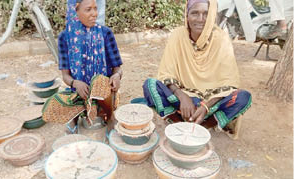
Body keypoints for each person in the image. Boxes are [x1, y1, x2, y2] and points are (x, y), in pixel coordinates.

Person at [143, 0, 252, 139]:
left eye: (206, 14)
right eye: (195, 13)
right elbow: (166, 73)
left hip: (212, 102)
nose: (200, 19)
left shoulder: (221, 38)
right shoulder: (178, 35)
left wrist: (205, 107)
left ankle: (204, 127)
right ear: (186, 15)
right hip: (184, 98)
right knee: (150, 85)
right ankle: (177, 123)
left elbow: (229, 81)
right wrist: (183, 97)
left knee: (243, 97)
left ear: (212, 15)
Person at [58, 0, 123, 133]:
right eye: (88, 10)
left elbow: (117, 68)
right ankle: (77, 116)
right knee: (57, 102)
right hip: (79, 92)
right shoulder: (65, 37)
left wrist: (117, 76)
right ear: (75, 12)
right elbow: (65, 75)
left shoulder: (105, 33)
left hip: (103, 93)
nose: (94, 14)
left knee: (100, 82)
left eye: (95, 8)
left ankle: (109, 117)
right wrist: (75, 83)